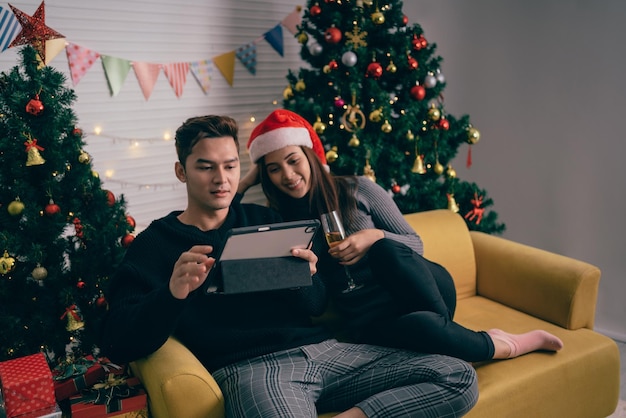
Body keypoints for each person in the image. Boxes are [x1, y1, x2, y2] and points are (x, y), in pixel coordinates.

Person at [100, 115, 479, 418]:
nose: (221, 179)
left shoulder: (264, 218)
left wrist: (307, 276)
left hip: (326, 352)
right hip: (252, 371)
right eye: (205, 167)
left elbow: (314, 307)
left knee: (458, 376)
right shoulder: (157, 243)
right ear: (182, 172)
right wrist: (172, 293)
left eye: (230, 166)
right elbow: (117, 340)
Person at [239, 108, 564, 362]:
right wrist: (244, 181)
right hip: (371, 316)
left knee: (385, 249)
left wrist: (373, 236)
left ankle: (509, 343)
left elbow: (415, 245)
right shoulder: (283, 223)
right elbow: (315, 298)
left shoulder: (358, 189)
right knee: (421, 328)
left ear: (310, 157)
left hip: (419, 289)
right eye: (273, 168)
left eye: (293, 161)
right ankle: (461, 337)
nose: (287, 175)